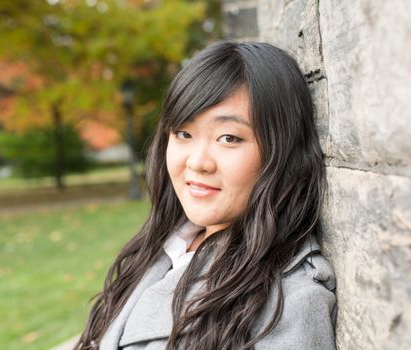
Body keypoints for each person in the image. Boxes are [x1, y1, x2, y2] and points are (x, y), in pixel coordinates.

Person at [75, 40, 337, 350]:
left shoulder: (290, 305)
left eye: (228, 138)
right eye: (184, 134)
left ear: (282, 152)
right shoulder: (167, 246)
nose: (197, 162)